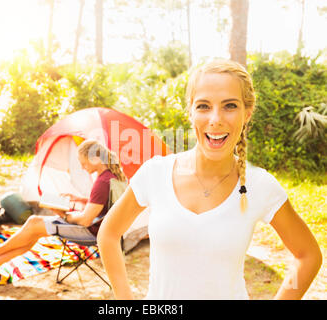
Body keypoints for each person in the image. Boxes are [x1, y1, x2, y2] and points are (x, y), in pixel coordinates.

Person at [97, 59, 322, 300]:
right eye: (204, 106)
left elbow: (308, 256)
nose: (215, 119)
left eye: (230, 106)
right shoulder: (155, 173)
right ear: (191, 113)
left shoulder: (260, 185)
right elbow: (108, 234)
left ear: (247, 113)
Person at [0, 139, 127, 282]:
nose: (82, 167)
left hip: (90, 232)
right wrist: (79, 199)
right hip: (101, 229)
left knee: (33, 223)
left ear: (96, 159)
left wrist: (64, 215)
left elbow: (85, 220)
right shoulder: (112, 176)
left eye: (84, 163)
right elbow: (103, 204)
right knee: (34, 230)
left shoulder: (101, 182)